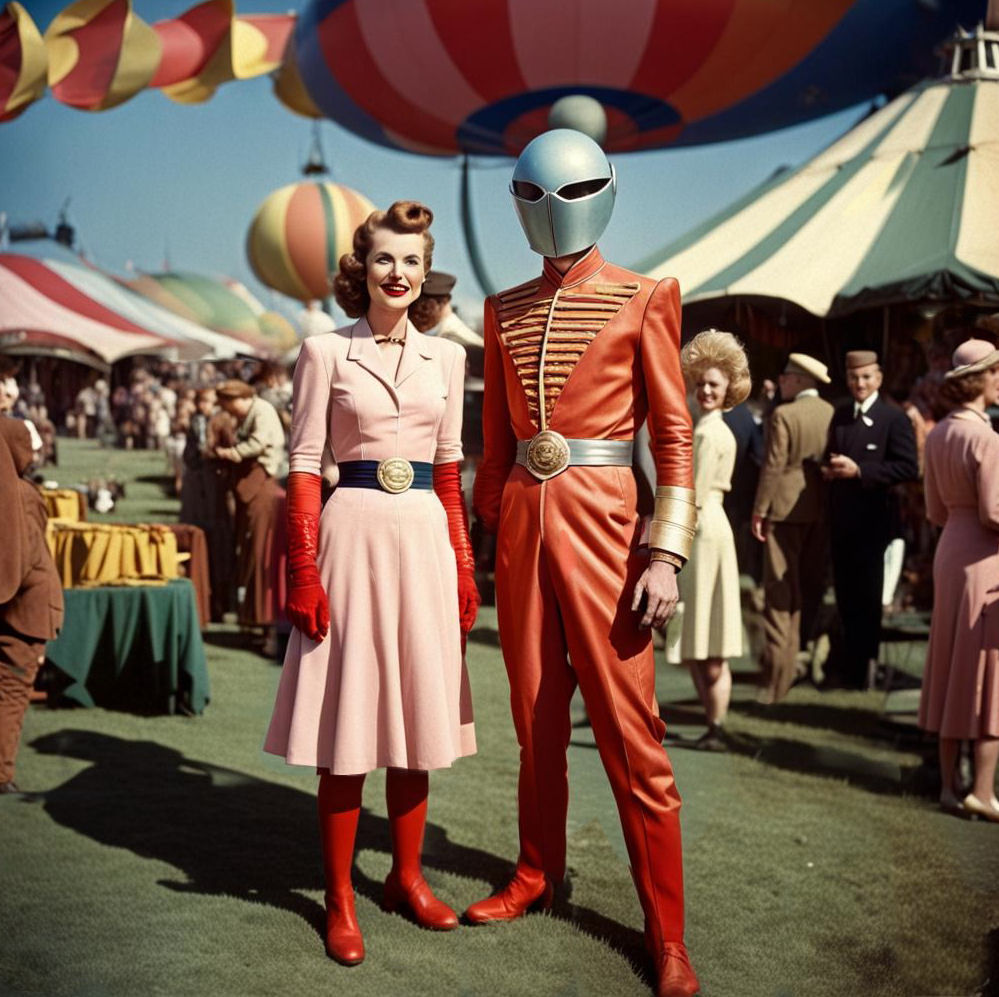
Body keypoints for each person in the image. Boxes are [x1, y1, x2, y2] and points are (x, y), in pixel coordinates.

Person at [469, 129, 699, 997]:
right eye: (533, 196)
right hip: (525, 535)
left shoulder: (646, 296)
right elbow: (493, 445)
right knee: (534, 727)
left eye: (564, 195)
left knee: (630, 737)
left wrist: (665, 551)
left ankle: (666, 933)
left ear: (601, 193)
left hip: (608, 534)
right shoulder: (501, 309)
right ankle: (535, 872)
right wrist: (485, 529)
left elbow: (671, 433)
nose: (551, 214)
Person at [264, 201, 478, 964]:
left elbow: (450, 470)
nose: (398, 273)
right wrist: (303, 569)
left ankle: (407, 877)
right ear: (364, 268)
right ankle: (340, 897)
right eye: (385, 259)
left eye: (412, 261)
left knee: (417, 718)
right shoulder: (324, 350)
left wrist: (462, 561)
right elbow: (299, 465)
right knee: (348, 722)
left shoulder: (448, 358)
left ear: (425, 274)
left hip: (421, 533)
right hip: (349, 532)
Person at [918, 339, 999, 821]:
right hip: (984, 557)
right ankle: (983, 790)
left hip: (951, 550)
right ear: (983, 379)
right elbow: (994, 512)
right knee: (989, 675)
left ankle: (951, 787)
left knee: (951, 668)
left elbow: (933, 510)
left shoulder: (939, 433)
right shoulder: (987, 438)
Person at [822, 350, 919, 689]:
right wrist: (828, 469)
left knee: (869, 599)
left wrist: (861, 470)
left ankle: (865, 670)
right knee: (846, 598)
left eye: (866, 378)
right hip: (843, 522)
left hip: (875, 524)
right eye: (853, 378)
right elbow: (830, 453)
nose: (859, 384)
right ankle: (849, 668)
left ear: (878, 378)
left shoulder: (894, 418)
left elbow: (909, 468)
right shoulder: (841, 414)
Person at [678, 330, 752, 751]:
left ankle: (717, 724)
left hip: (705, 526)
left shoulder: (709, 433)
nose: (706, 391)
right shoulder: (707, 427)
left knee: (707, 632)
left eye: (714, 386)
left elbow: (696, 493)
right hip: (711, 524)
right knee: (703, 633)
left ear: (728, 391)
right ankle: (714, 723)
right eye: (701, 384)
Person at [751, 353, 834, 704]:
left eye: (785, 377)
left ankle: (775, 683)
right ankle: (787, 675)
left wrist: (760, 510)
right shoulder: (830, 412)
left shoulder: (783, 415)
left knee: (778, 594)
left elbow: (773, 466)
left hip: (783, 511)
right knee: (798, 593)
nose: (781, 381)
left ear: (799, 380)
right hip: (817, 509)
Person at [0, 419, 63, 794]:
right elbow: (22, 559)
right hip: (24, 610)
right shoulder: (22, 494)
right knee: (11, 692)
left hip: (17, 606)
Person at [214, 379, 286, 640]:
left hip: (262, 485)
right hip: (252, 486)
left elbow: (257, 444)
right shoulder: (252, 413)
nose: (229, 412)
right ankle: (254, 616)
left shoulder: (262, 410)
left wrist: (232, 453)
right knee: (250, 551)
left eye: (229, 405)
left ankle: (265, 617)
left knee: (261, 551)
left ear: (239, 398)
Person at [409, 269, 484, 347]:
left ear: (444, 302)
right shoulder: (429, 333)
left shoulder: (461, 344)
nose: (417, 312)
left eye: (425, 306)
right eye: (412, 305)